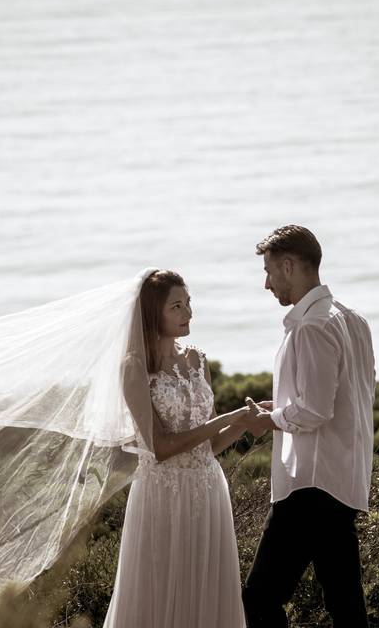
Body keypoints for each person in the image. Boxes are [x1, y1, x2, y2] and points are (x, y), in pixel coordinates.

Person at [241, 225, 376, 628]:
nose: (266, 283)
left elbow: (316, 411)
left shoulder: (311, 326)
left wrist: (270, 420)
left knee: (258, 602)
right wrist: (281, 407)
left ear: (288, 266)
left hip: (311, 485)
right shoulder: (352, 320)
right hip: (344, 479)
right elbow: (349, 396)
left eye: (268, 271)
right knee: (346, 605)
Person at [103, 269, 251, 628]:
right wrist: (229, 417)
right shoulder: (135, 369)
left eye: (188, 303)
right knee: (161, 592)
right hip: (163, 495)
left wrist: (246, 423)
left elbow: (211, 445)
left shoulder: (197, 360)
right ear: (154, 312)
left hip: (209, 490)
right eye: (177, 306)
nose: (188, 313)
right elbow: (160, 448)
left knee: (205, 590)